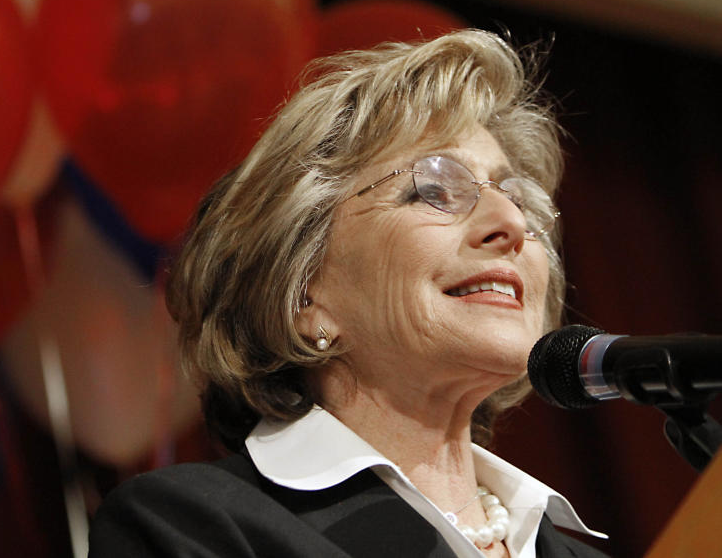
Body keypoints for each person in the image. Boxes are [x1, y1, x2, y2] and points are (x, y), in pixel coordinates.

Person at [89, 29, 609, 557]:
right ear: (303, 295)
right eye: (433, 190)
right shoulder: (196, 527)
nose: (510, 224)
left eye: (518, 199)